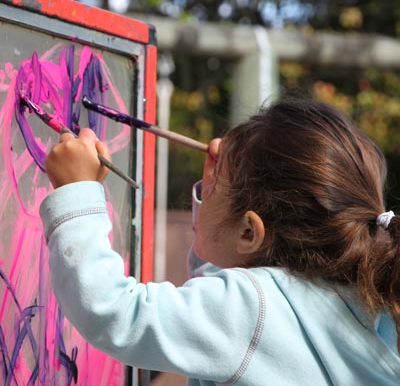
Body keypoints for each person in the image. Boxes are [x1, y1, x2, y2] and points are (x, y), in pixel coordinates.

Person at [40, 98, 400, 385]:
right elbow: (227, 278)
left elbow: (113, 311)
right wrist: (217, 190)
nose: (204, 188)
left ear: (249, 233)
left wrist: (77, 193)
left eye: (211, 189)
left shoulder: (252, 312)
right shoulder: (367, 297)